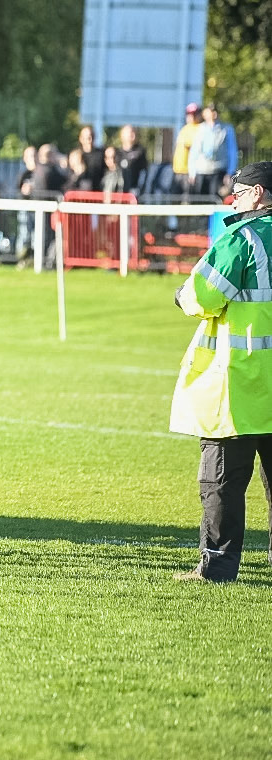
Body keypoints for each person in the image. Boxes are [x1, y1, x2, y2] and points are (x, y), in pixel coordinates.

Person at [171, 162, 272, 583]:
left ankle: (217, 567)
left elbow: (203, 296)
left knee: (221, 483)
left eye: (239, 192)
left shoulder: (243, 238)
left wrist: (182, 295)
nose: (232, 201)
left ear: (258, 193)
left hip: (240, 385)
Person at [189, 104, 238, 202]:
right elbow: (194, 151)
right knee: (199, 201)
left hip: (218, 171)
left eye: (215, 111)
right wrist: (192, 172)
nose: (214, 114)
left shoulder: (227, 129)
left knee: (215, 200)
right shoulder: (200, 129)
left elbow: (232, 152)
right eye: (211, 111)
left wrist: (230, 172)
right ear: (204, 114)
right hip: (201, 171)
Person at [173, 102, 203, 199]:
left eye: (194, 114)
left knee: (187, 199)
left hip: (188, 172)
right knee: (175, 199)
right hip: (178, 170)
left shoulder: (200, 129)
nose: (191, 117)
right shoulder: (185, 128)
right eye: (189, 114)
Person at [114, 125, 148, 196]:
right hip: (119, 193)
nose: (133, 135)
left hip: (134, 193)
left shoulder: (140, 152)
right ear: (122, 135)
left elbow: (144, 172)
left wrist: (139, 189)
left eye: (134, 132)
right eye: (130, 132)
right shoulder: (117, 153)